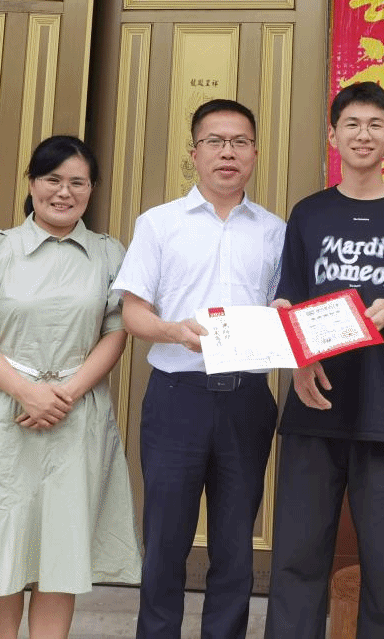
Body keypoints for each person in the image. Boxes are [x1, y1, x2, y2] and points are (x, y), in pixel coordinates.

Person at [263, 82, 384, 639]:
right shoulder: (309, 213)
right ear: (333, 135)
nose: (363, 134)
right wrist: (297, 359)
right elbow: (288, 299)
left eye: (375, 124)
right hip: (314, 405)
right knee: (297, 560)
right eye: (352, 123)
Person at [0, 135, 140, 639]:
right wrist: (27, 392)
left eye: (77, 182)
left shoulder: (108, 254)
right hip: (5, 416)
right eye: (52, 179)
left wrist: (66, 394)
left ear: (91, 189)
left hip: (75, 415)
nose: (64, 192)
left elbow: (116, 332)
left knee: (60, 554)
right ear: (31, 184)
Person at [113, 98, 285, 639]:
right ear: (194, 152)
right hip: (177, 398)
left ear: (254, 153)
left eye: (240, 142)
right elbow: (133, 313)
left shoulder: (275, 230)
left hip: (247, 400)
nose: (227, 153)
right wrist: (174, 331)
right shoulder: (159, 224)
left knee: (235, 544)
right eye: (215, 141)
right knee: (166, 539)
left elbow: (283, 309)